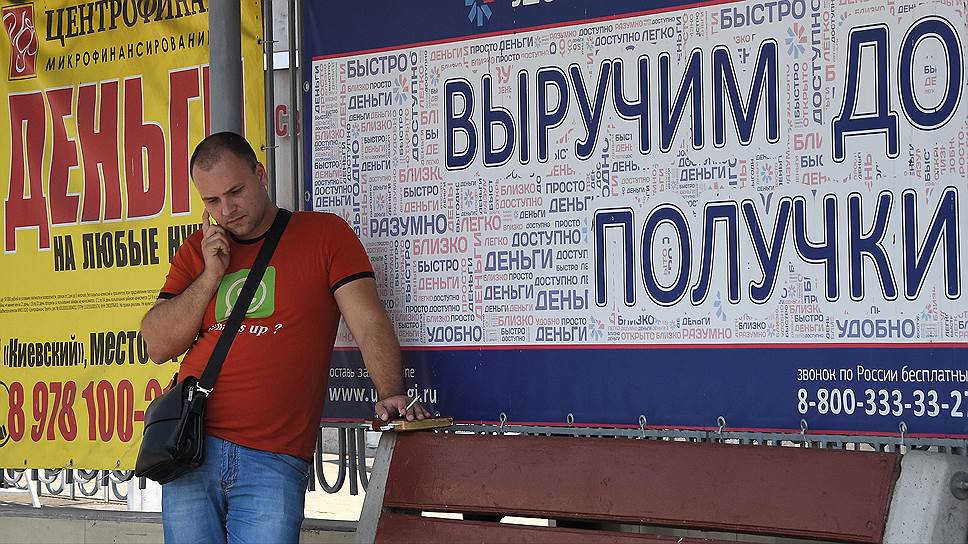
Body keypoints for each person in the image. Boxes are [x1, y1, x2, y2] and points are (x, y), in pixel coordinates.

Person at [140, 131, 429, 543]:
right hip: (192, 447)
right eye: (212, 201)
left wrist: (391, 392)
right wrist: (210, 276)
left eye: (235, 192)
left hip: (273, 454)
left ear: (261, 175)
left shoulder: (324, 235)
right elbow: (157, 345)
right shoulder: (199, 250)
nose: (227, 210)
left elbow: (368, 321)